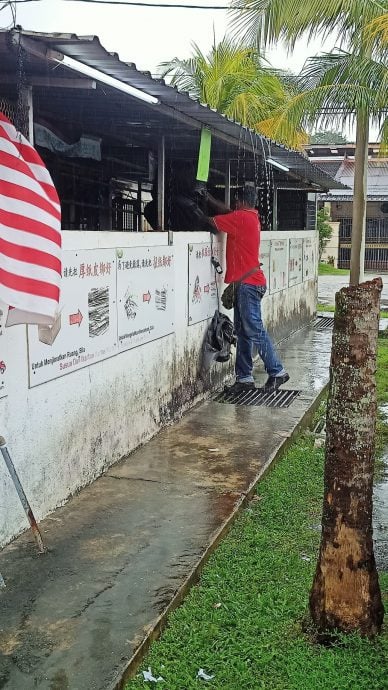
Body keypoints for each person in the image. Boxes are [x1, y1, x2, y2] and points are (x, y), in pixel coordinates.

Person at [207, 183, 289, 392]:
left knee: (253, 329)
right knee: (243, 332)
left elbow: (211, 221)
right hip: (249, 282)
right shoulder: (249, 216)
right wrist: (206, 197)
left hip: (248, 285)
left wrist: (195, 206)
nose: (233, 205)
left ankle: (277, 372)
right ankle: (244, 378)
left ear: (240, 201)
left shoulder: (240, 218)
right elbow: (227, 212)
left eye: (235, 202)